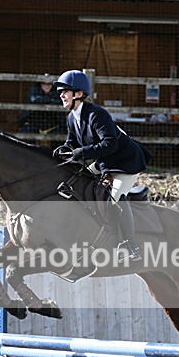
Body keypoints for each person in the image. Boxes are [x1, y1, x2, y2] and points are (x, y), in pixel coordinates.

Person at [51, 69, 149, 262]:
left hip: (124, 162)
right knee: (77, 181)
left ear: (78, 94)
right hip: (105, 162)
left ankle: (131, 245)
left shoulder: (97, 114)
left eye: (65, 91)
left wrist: (82, 152)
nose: (61, 95)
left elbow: (110, 144)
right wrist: (65, 149)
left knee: (115, 197)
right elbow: (72, 143)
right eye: (60, 91)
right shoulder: (72, 117)